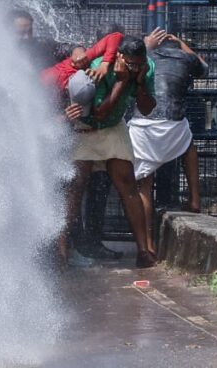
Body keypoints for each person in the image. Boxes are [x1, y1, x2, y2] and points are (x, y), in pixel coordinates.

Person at [65, 36, 158, 268]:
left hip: (113, 127)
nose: (135, 67)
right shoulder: (98, 70)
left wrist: (137, 83)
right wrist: (121, 82)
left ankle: (143, 251)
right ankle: (62, 249)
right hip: (86, 128)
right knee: (76, 187)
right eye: (130, 63)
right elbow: (98, 113)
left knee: (127, 182)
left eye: (139, 63)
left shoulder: (146, 68)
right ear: (119, 57)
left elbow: (147, 109)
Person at [40, 26, 124, 266]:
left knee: (79, 186)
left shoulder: (86, 63)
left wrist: (105, 63)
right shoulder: (50, 80)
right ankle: (58, 246)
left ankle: (75, 243)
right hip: (52, 137)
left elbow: (114, 37)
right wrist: (62, 118)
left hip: (81, 136)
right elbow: (29, 120)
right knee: (62, 189)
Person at [128, 28, 209, 254]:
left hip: (144, 125)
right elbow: (205, 67)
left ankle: (149, 245)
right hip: (172, 124)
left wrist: (147, 44)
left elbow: (127, 58)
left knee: (144, 185)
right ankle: (194, 198)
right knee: (189, 146)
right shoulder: (186, 59)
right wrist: (182, 41)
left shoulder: (146, 56)